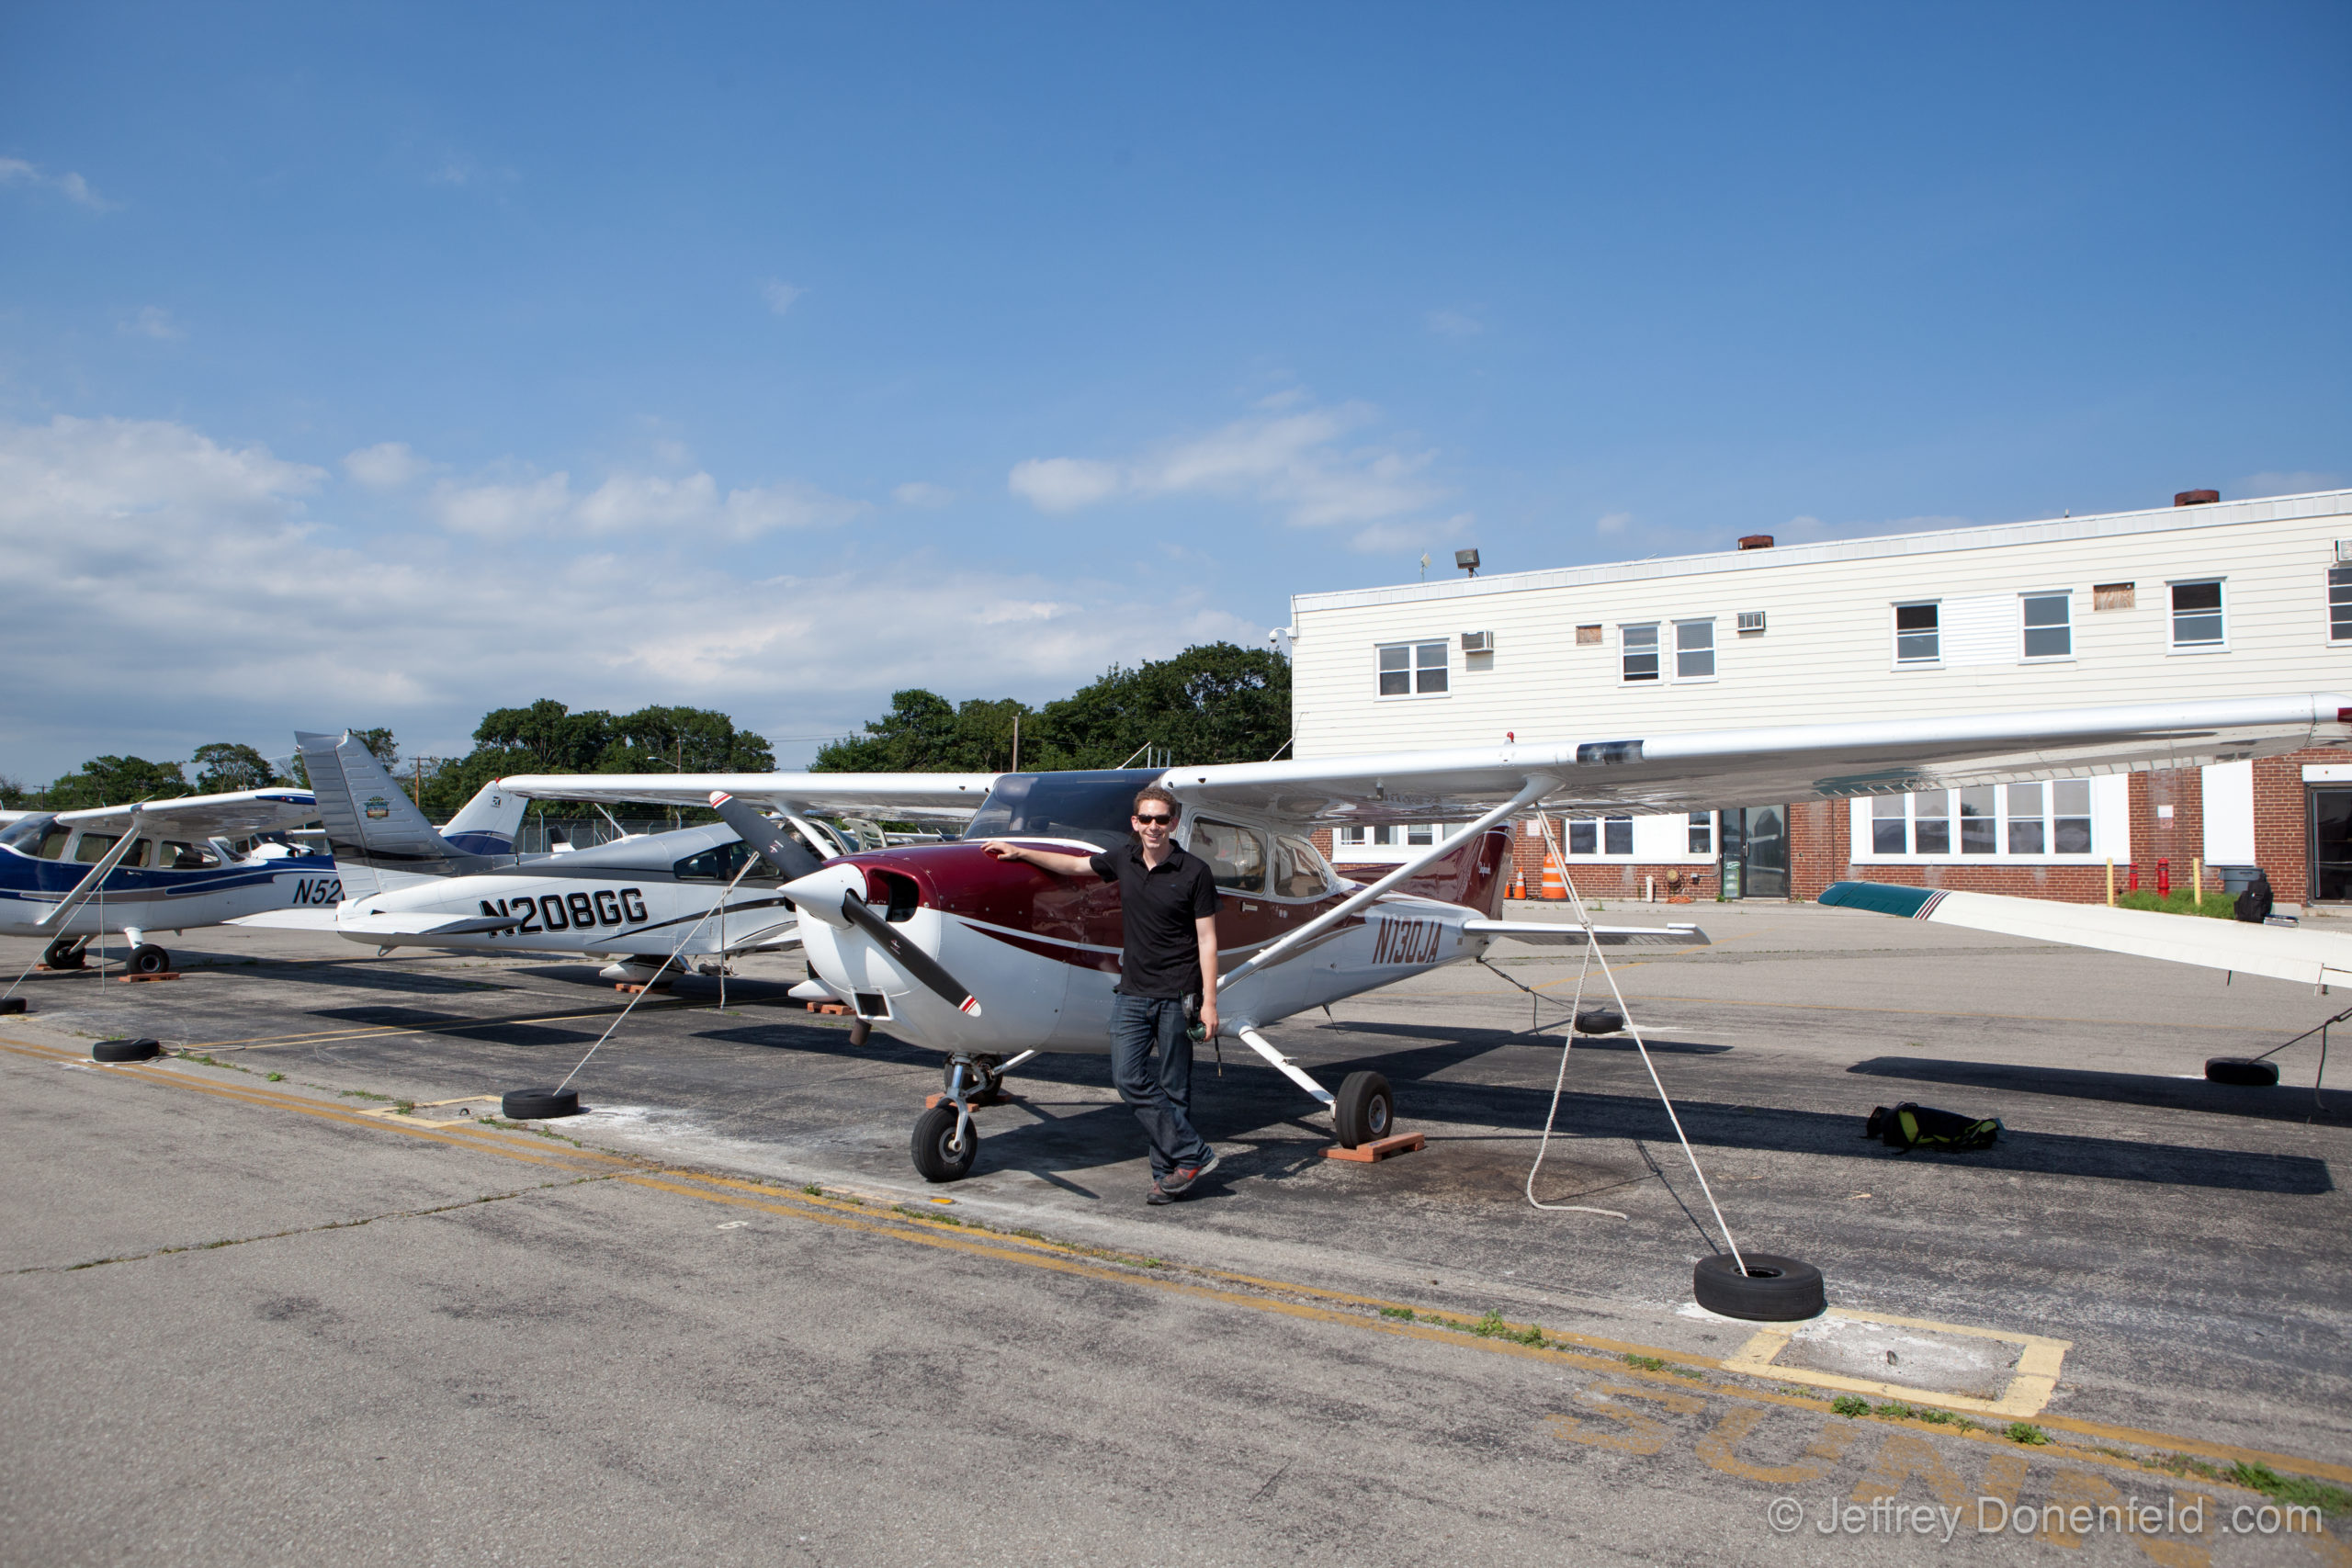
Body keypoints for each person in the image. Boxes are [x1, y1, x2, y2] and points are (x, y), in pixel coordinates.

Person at [985, 784, 1221, 1203]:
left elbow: (1207, 940)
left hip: (1178, 994)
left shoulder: (1194, 871)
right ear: (1134, 823)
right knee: (1128, 1078)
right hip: (1132, 990)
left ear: (1174, 823)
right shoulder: (1123, 860)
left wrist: (1210, 1003)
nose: (1153, 826)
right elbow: (1074, 866)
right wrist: (1021, 852)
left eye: (1161, 819)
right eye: (1145, 819)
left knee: (1173, 1088)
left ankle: (1168, 1176)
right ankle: (1193, 1152)